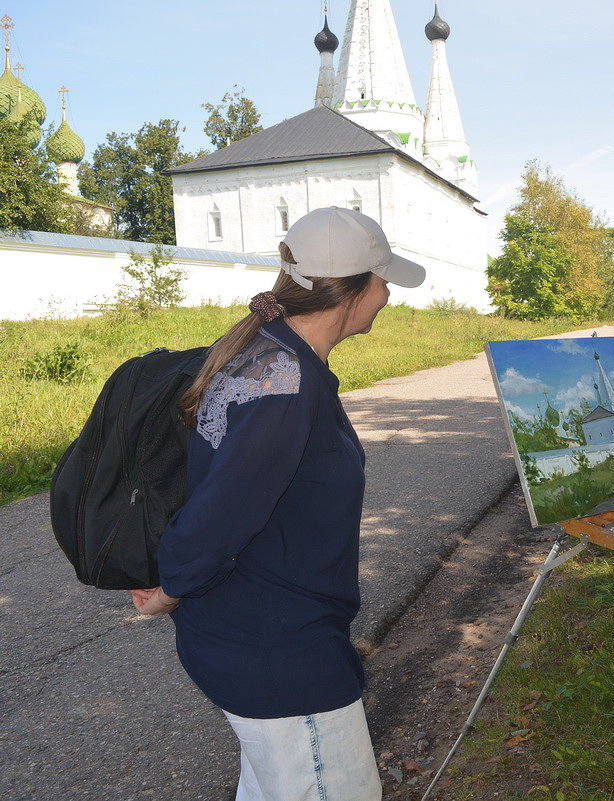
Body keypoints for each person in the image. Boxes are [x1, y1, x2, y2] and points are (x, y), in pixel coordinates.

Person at [129, 206, 426, 801]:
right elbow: (221, 511)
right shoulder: (284, 385)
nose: (389, 291)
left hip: (253, 638)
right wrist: (168, 590)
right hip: (278, 655)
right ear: (350, 291)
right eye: (383, 278)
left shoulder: (270, 354)